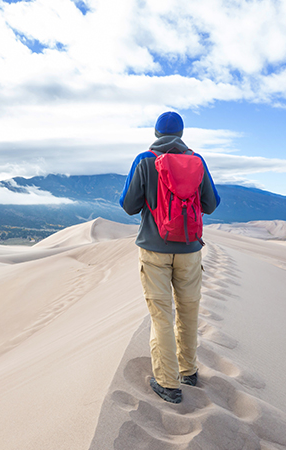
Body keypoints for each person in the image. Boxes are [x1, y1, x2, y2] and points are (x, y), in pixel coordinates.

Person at [119, 111, 220, 404]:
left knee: (162, 316)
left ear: (156, 133)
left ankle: (167, 383)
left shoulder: (144, 160)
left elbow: (128, 206)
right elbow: (211, 204)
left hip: (154, 250)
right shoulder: (197, 161)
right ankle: (188, 371)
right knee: (188, 311)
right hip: (190, 251)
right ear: (181, 133)